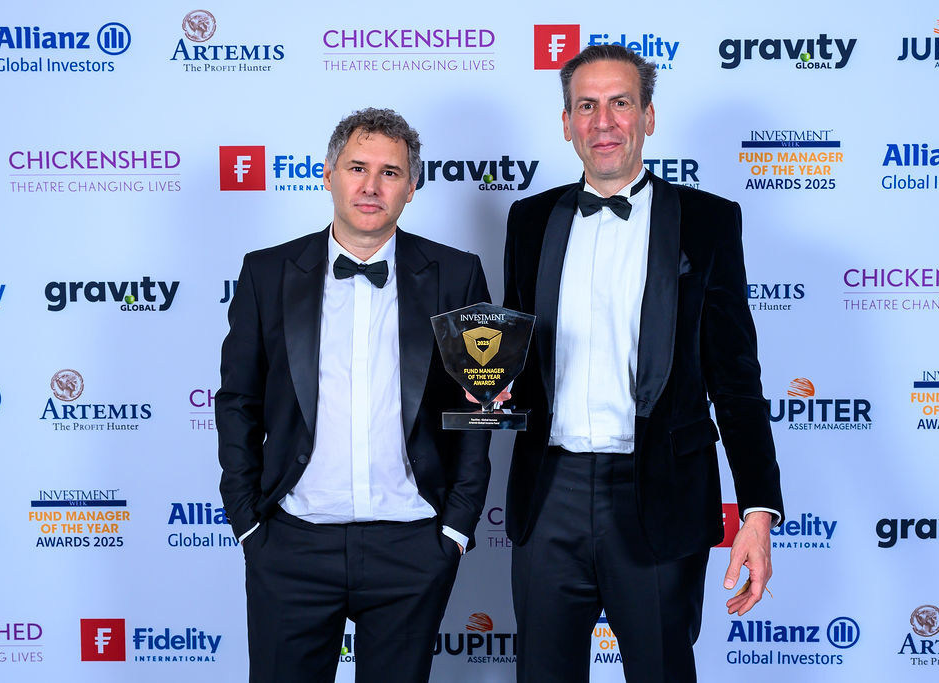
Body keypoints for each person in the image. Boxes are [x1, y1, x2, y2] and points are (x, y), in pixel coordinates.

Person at [501, 45, 784, 682]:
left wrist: (758, 510)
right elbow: (514, 357)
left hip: (658, 492)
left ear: (648, 117)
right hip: (548, 493)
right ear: (567, 122)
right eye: (586, 106)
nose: (603, 122)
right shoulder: (529, 220)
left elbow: (736, 379)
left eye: (620, 103)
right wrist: (489, 394)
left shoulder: (708, 222)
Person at [216, 107, 492, 683]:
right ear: (328, 174)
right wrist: (248, 522)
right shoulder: (267, 273)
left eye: (390, 172)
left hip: (413, 544)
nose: (371, 186)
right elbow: (238, 401)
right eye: (357, 168)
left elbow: (477, 407)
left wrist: (456, 527)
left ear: (411, 187)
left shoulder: (456, 274)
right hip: (291, 544)